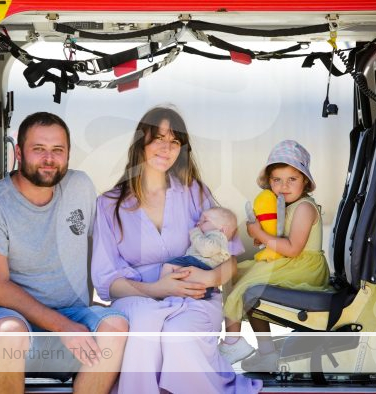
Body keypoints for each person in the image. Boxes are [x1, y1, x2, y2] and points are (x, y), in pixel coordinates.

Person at [92, 106, 262, 393]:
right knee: (144, 327)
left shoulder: (194, 192)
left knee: (179, 337)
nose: (166, 148)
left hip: (196, 297)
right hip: (137, 298)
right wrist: (158, 288)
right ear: (140, 142)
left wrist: (208, 279)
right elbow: (109, 283)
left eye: (174, 141)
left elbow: (230, 260)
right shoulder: (109, 204)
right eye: (158, 138)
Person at [0, 112, 128, 394]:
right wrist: (63, 327)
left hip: (75, 312)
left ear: (68, 154)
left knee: (116, 327)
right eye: (39, 149)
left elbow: (107, 246)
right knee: (7, 336)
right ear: (19, 153)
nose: (49, 159)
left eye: (58, 150)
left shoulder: (80, 185)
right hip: (16, 315)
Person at [219, 139, 330, 371]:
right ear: (269, 182)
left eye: (292, 179)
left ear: (305, 182)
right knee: (234, 274)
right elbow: (276, 242)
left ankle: (232, 343)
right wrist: (262, 237)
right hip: (286, 262)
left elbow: (292, 248)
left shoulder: (304, 208)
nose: (284, 186)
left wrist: (260, 233)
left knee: (248, 285)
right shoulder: (281, 207)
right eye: (277, 180)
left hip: (303, 267)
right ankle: (267, 352)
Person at [160, 206, 238, 299]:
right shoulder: (214, 237)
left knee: (169, 265)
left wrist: (195, 233)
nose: (198, 223)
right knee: (176, 272)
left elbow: (207, 250)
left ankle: (163, 288)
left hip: (199, 264)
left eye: (205, 221)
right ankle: (166, 288)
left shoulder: (218, 236)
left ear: (222, 229)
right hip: (200, 266)